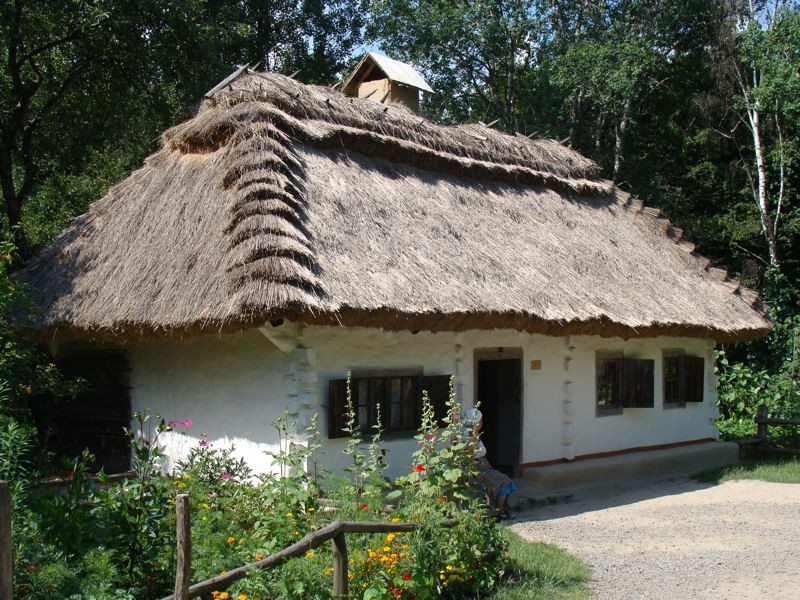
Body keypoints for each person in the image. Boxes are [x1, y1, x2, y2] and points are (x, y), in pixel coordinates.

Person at [463, 407, 516, 519]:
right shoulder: (470, 437)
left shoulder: (471, 435)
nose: (482, 422)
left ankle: (498, 510)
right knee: (505, 481)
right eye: (480, 420)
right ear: (477, 422)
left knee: (500, 483)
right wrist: (477, 473)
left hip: (483, 465)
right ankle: (499, 512)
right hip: (479, 467)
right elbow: (470, 456)